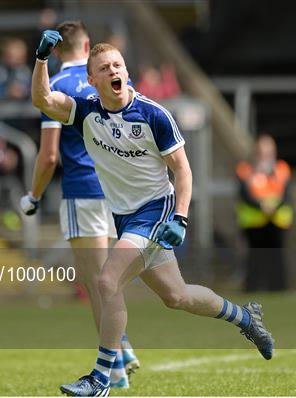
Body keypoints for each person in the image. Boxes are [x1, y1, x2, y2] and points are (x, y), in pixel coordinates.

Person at [30, 30, 275, 397]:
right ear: (91, 79)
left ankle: (101, 379)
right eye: (104, 67)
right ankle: (245, 317)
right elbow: (43, 98)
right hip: (125, 217)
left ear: (126, 71)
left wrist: (180, 217)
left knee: (107, 280)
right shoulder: (86, 112)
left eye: (118, 64)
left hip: (155, 211)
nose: (114, 70)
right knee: (177, 296)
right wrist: (41, 59)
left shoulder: (153, 114)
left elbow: (183, 170)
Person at [20, 21, 138, 389]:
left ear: (56, 50)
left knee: (96, 281)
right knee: (111, 277)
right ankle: (125, 348)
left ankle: (114, 367)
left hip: (83, 190)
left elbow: (50, 155)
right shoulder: (108, 82)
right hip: (119, 190)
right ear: (88, 45)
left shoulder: (57, 86)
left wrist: (34, 197)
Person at [236, 134, 292, 292]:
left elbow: (287, 194)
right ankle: (252, 289)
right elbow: (244, 194)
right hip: (253, 222)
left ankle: (278, 289)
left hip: (278, 220)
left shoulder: (282, 168)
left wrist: (274, 206)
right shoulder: (245, 169)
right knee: (255, 257)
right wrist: (261, 206)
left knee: (277, 257)